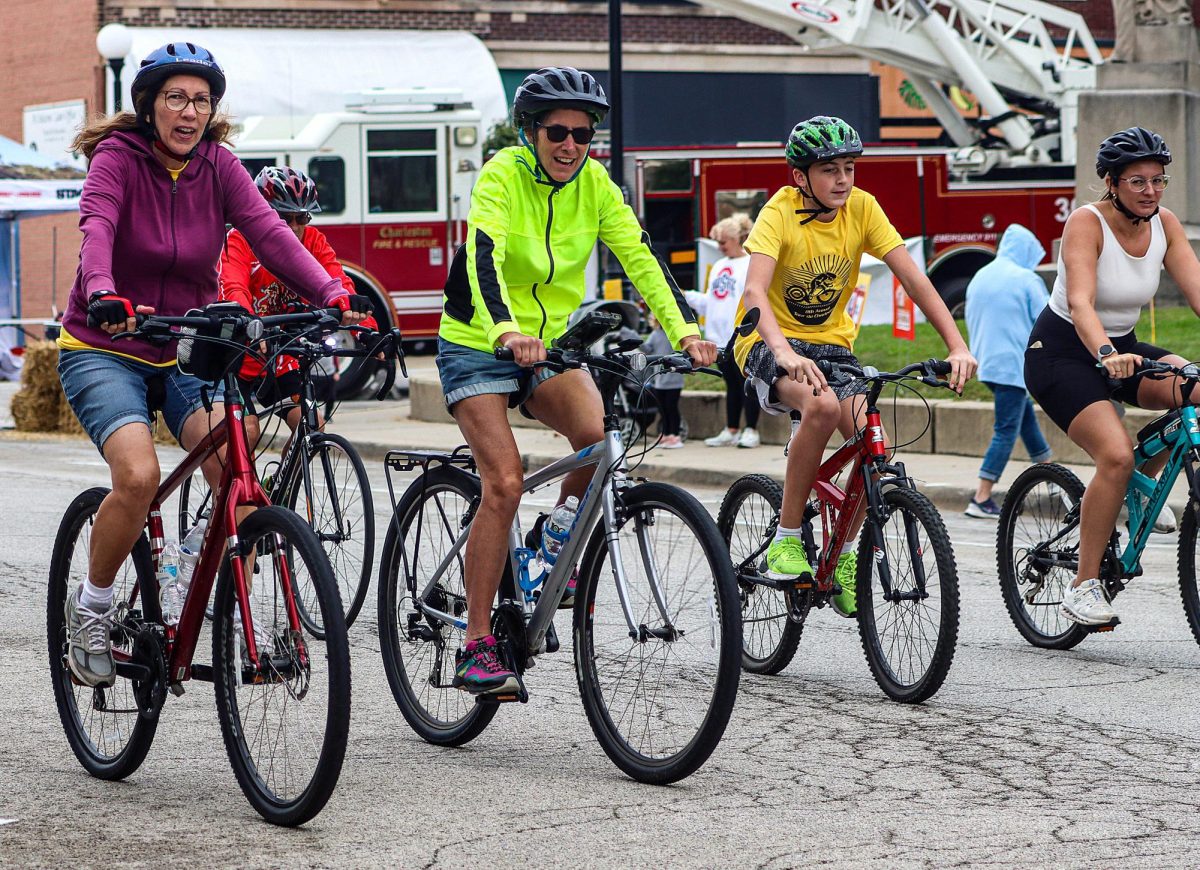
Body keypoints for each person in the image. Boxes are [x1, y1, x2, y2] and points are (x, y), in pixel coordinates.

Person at [57, 42, 369, 689]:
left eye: (200, 100)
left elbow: (271, 235)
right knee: (139, 474)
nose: (189, 110)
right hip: (105, 345)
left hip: (184, 348)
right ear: (149, 105)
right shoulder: (118, 159)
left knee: (237, 458)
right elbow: (98, 227)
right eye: (176, 96)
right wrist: (102, 291)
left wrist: (333, 294)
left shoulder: (219, 166)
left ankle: (195, 555)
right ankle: (89, 607)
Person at [438, 66, 715, 694]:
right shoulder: (502, 175)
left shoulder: (595, 184)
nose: (570, 145)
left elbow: (641, 257)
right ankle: (476, 643)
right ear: (531, 131)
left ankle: (550, 541)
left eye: (583, 135)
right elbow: (482, 257)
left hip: (550, 346)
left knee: (599, 441)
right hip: (478, 340)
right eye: (558, 132)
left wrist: (686, 332)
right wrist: (505, 331)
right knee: (503, 483)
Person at [734, 115, 976, 616]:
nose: (843, 179)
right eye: (829, 170)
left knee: (871, 438)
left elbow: (914, 279)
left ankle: (844, 554)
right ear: (800, 176)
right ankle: (787, 536)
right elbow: (755, 291)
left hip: (832, 346)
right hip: (766, 339)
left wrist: (958, 345)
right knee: (820, 408)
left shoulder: (862, 208)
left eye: (849, 167)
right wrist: (782, 351)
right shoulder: (777, 212)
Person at [1024, 126, 1200, 627]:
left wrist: (1117, 352)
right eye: (1137, 181)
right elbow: (1079, 301)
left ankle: (1139, 486)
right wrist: (1104, 352)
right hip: (1062, 353)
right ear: (1111, 181)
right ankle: (1082, 586)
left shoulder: (1164, 223)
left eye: (1158, 180)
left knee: (1196, 389)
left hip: (1123, 349)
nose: (1150, 191)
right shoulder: (1086, 223)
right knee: (1115, 454)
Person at [219, 165, 376, 448]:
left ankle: (282, 490)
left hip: (281, 355)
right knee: (249, 431)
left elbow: (337, 281)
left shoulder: (313, 240)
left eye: (301, 217)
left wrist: (366, 329)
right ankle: (241, 491)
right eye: (282, 217)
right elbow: (234, 288)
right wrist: (248, 324)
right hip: (242, 353)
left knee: (312, 426)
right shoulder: (240, 239)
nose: (292, 227)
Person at [963, 223, 1053, 518]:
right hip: (1013, 364)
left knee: (1024, 419)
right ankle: (981, 496)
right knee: (1005, 430)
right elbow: (1047, 322)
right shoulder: (1026, 279)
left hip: (986, 363)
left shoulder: (981, 275)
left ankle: (1052, 478)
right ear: (1025, 250)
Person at [685, 214, 760, 448]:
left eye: (724, 241)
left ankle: (751, 430)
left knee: (748, 383)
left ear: (739, 239)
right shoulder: (719, 265)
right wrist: (686, 296)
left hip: (741, 337)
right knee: (731, 384)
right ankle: (731, 429)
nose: (719, 246)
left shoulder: (750, 263)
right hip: (719, 338)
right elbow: (711, 300)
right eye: (717, 242)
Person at [641, 313, 685, 448]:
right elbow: (648, 349)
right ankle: (665, 435)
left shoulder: (677, 335)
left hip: (674, 379)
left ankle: (675, 436)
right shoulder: (655, 334)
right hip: (659, 379)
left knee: (672, 408)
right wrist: (634, 338)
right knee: (663, 409)